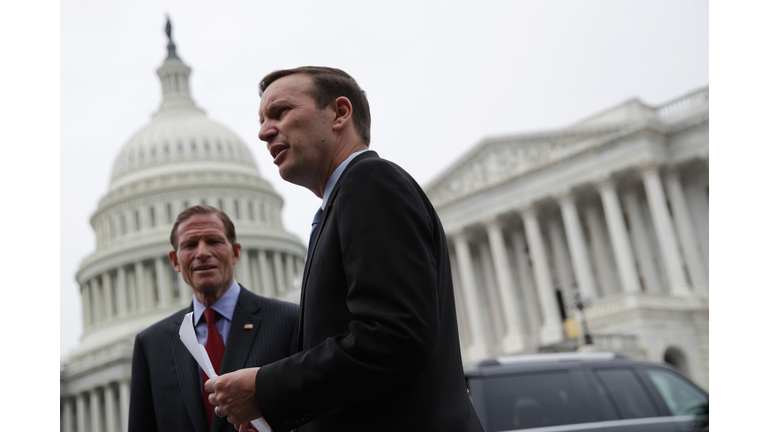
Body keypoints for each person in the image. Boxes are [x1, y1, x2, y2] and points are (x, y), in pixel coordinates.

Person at [205, 67, 484, 432]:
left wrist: (265, 387)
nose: (263, 132)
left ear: (339, 113)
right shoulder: (341, 204)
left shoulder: (370, 183)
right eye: (261, 120)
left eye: (281, 112)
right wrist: (275, 416)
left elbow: (394, 338)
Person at [128, 205, 299, 432]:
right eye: (190, 245)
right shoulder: (151, 343)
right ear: (175, 261)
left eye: (213, 241)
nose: (202, 253)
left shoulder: (288, 321)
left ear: (235, 252)